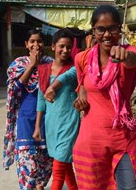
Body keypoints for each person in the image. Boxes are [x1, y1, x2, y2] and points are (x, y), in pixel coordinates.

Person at [72, 4, 136, 189]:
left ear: (119, 28)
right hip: (91, 140)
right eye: (101, 29)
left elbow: (132, 61)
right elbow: (82, 87)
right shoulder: (82, 58)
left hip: (124, 138)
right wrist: (81, 102)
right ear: (93, 31)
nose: (107, 34)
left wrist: (124, 56)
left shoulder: (131, 52)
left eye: (112, 28)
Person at [3, 29, 53, 190]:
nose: (36, 45)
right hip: (25, 120)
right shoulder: (19, 64)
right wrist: (31, 66)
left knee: (45, 164)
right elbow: (14, 90)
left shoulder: (50, 64)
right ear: (26, 44)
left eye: (39, 41)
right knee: (27, 166)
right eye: (32, 41)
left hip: (47, 120)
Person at [33, 28, 80, 190]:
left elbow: (65, 78)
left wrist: (53, 86)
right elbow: (41, 100)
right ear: (53, 47)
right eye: (61, 46)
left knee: (58, 170)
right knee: (65, 166)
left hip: (70, 122)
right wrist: (38, 127)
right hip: (52, 124)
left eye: (69, 47)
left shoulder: (74, 69)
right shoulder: (43, 70)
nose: (65, 50)